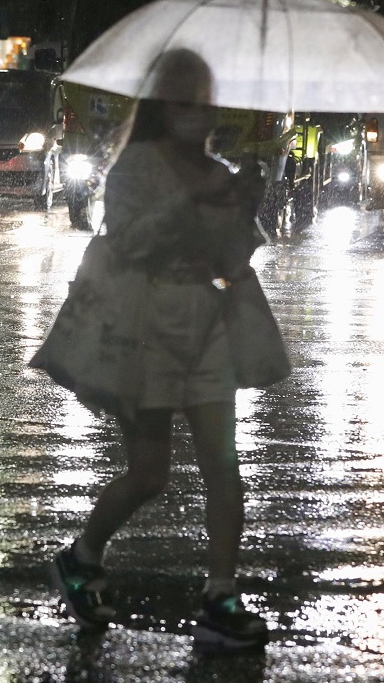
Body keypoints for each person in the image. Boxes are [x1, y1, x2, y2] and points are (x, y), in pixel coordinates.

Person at [50, 49, 279, 653]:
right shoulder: (134, 168)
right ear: (158, 106)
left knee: (223, 467)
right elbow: (130, 241)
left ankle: (221, 594)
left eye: (204, 102)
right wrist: (191, 199)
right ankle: (82, 556)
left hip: (207, 330)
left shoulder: (221, 172)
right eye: (182, 101)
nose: (196, 114)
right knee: (150, 474)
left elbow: (232, 262)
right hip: (144, 331)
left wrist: (244, 201)